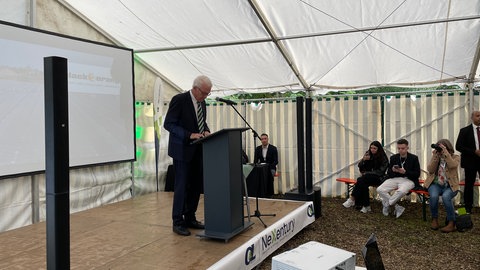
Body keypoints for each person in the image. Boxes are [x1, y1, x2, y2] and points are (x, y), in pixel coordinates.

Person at [163, 75, 212, 236]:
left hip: (198, 150)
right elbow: (169, 123)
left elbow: (201, 121)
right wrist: (189, 134)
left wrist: (206, 131)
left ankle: (190, 217)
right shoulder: (179, 99)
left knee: (196, 186)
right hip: (182, 151)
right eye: (204, 93)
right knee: (182, 186)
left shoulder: (202, 102)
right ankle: (177, 221)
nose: (205, 97)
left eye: (207, 94)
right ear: (195, 88)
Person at [377, 138, 421, 218]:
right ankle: (397, 207)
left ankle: (387, 204)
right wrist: (393, 170)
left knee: (401, 191)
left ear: (407, 148)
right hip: (395, 178)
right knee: (380, 189)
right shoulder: (394, 157)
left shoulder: (413, 158)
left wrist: (405, 172)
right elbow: (389, 173)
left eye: (403, 148)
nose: (400, 150)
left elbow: (417, 174)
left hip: (408, 180)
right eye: (399, 148)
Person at [424, 139, 460, 233]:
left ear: (448, 148)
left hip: (450, 186)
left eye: (442, 148)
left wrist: (446, 154)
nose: (440, 151)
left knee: (446, 197)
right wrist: (436, 157)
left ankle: (451, 223)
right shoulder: (436, 156)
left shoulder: (455, 157)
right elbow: (430, 170)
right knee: (434, 196)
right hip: (436, 184)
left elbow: (452, 165)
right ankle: (434, 219)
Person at [343, 141, 389, 213]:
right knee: (362, 182)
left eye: (374, 148)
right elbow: (360, 166)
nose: (372, 150)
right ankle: (366, 206)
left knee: (361, 179)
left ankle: (352, 199)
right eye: (371, 148)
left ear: (378, 149)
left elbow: (381, 172)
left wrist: (367, 173)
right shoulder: (368, 154)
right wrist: (363, 160)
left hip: (379, 178)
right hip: (367, 178)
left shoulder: (383, 157)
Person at [455, 111, 480, 214]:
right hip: (470, 162)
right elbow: (458, 146)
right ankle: (467, 208)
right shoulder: (464, 131)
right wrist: (474, 151)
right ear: (472, 117)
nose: (479, 117)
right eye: (478, 116)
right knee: (469, 185)